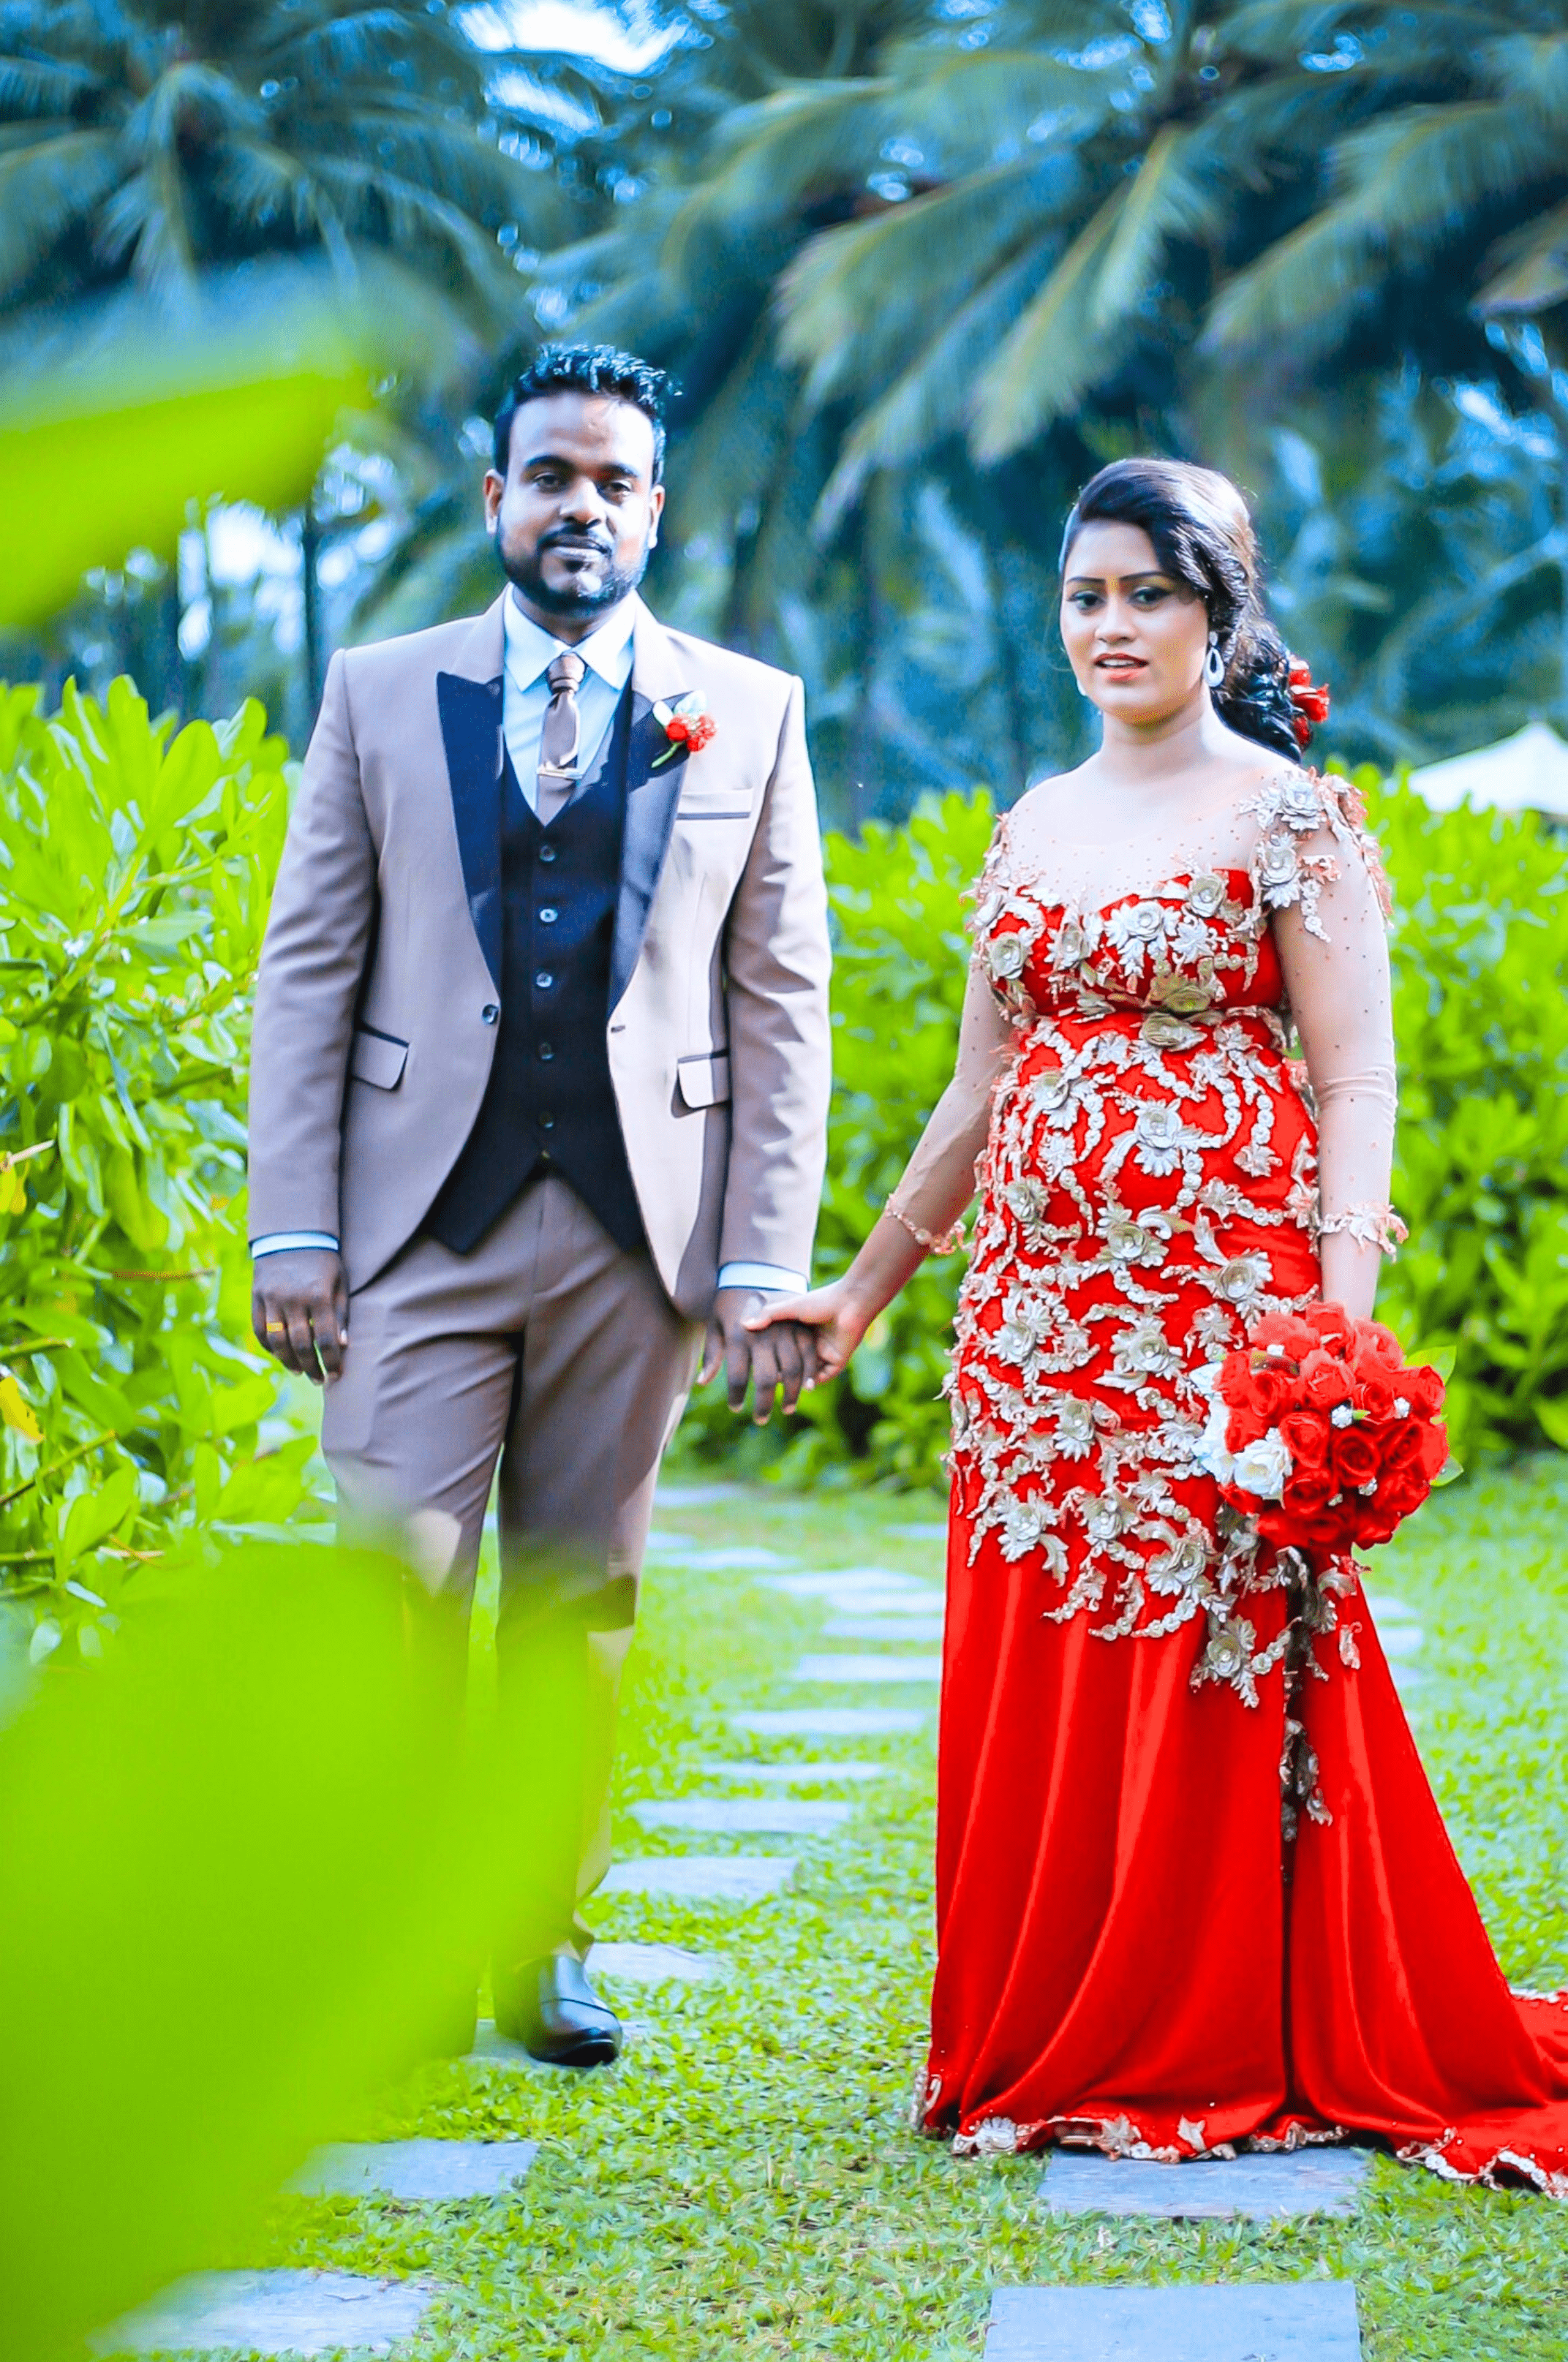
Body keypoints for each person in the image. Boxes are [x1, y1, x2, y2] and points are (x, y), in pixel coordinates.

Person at [752, 459, 1568, 2192]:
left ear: (1219, 610)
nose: (1110, 625)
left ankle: (1204, 2030)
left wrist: (1330, 1341)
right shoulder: (1030, 818)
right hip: (1036, 1329)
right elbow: (977, 1093)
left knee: (1211, 1651)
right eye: (1084, 596)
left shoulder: (1290, 813)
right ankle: (1047, 2027)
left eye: (1146, 594)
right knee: (1047, 1640)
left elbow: (1356, 1072)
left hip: (1223, 1313)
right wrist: (861, 1286)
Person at [247, 343, 831, 2067]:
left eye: (615, 480)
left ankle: (541, 1937)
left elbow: (778, 995)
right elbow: (310, 968)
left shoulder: (752, 704)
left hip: (634, 1231)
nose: (583, 504)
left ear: (657, 508)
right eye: (552, 475)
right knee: (395, 1578)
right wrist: (295, 1225)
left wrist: (757, 1260)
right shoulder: (376, 687)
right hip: (416, 1217)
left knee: (583, 1593)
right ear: (495, 496)